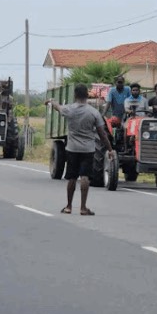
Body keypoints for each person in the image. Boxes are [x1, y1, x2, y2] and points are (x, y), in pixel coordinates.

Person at [45, 84, 114, 216]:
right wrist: (110, 150)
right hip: (88, 149)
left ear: (75, 95)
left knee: (72, 177)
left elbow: (58, 107)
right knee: (85, 177)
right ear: (87, 95)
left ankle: (68, 206)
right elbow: (102, 134)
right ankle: (83, 207)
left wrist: (51, 101)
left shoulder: (69, 109)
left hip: (72, 149)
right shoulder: (94, 112)